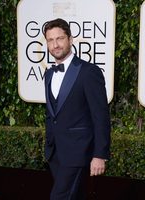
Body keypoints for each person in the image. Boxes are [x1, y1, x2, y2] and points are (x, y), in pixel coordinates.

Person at [43, 18, 111, 200]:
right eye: (50, 40)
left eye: (60, 38)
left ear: (70, 40)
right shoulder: (49, 74)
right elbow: (52, 115)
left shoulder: (89, 72)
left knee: (60, 197)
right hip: (55, 153)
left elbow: (100, 116)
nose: (55, 45)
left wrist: (100, 154)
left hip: (78, 152)